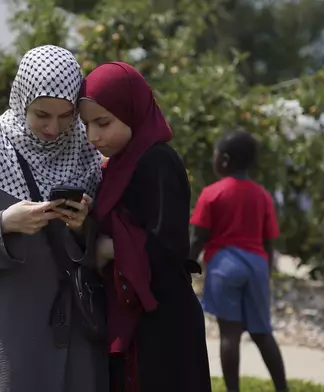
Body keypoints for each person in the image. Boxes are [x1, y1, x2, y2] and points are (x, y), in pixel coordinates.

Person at [0, 45, 106, 392]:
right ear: (21, 101)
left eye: (66, 115)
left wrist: (82, 226)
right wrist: (2, 225)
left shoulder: (87, 152)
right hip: (7, 327)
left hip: (72, 324)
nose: (53, 127)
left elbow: (102, 240)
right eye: (42, 114)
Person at [79, 62, 212, 392]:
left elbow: (169, 247)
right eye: (87, 124)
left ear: (133, 111)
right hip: (129, 319)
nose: (93, 135)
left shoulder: (158, 162)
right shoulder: (114, 168)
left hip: (163, 325)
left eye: (103, 122)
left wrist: (110, 248)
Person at [188, 130, 288, 392]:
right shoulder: (262, 195)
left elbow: (199, 238)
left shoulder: (212, 193)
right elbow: (269, 241)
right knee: (262, 333)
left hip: (223, 265)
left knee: (229, 335)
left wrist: (184, 265)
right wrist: (265, 274)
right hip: (256, 265)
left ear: (224, 160)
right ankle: (283, 389)